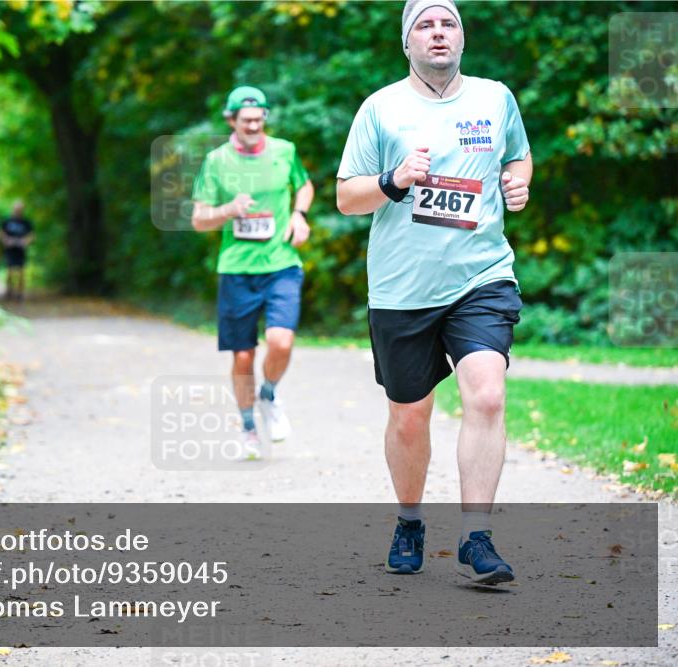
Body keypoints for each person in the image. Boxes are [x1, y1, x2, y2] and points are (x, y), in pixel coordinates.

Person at [336, 0, 532, 584]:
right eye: (425, 25)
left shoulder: (496, 98)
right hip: (402, 288)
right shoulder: (381, 109)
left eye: (448, 24)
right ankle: (410, 519)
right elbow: (347, 197)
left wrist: (517, 184)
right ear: (407, 42)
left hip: (481, 276)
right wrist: (394, 181)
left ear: (462, 38)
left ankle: (476, 537)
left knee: (487, 395)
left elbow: (519, 157)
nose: (438, 33)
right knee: (409, 417)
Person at [191, 85, 314, 457]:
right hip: (236, 269)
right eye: (246, 121)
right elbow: (199, 219)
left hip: (281, 264)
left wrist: (299, 214)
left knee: (282, 341)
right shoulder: (216, 161)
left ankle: (269, 394)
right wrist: (228, 210)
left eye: (259, 120)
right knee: (243, 356)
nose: (254, 126)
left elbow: (304, 186)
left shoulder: (284, 151)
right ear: (231, 120)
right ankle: (247, 426)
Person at [0, 201, 34, 302]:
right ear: (13, 209)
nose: (18, 211)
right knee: (9, 271)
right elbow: (0, 233)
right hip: (10, 249)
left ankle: (20, 293)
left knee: (21, 272)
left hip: (21, 250)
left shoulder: (26, 222)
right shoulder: (7, 221)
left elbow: (31, 235)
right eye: (16, 209)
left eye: (20, 209)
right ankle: (9, 291)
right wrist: (6, 240)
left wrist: (25, 242)